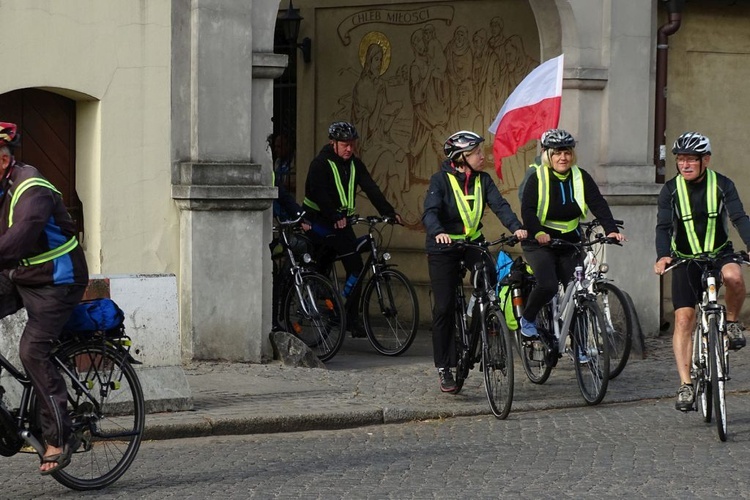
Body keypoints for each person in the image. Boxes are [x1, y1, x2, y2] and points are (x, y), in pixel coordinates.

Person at [0, 122, 89, 474]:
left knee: (32, 350)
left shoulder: (31, 189)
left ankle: (59, 437)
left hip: (58, 280)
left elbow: (17, 241)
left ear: (4, 160)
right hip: (21, 274)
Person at [422, 130, 527, 393]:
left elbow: (500, 205)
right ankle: (444, 366)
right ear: (460, 158)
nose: (483, 156)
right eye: (476, 153)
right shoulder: (440, 181)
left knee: (490, 278)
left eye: (481, 152)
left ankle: (479, 314)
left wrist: (516, 227)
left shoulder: (483, 180)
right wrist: (439, 232)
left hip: (472, 242)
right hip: (444, 247)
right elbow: (430, 212)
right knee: (444, 306)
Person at [654, 132, 750, 411]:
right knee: (684, 319)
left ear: (705, 160)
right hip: (685, 258)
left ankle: (731, 322)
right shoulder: (670, 190)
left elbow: (739, 217)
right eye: (680, 159)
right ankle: (685, 385)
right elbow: (663, 227)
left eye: (691, 160)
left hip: (719, 252)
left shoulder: (722, 184)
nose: (684, 165)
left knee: (734, 277)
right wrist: (663, 256)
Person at [518, 129, 625, 343]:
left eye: (566, 152)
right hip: (540, 241)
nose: (562, 158)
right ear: (547, 154)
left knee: (578, 291)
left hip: (570, 240)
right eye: (557, 153)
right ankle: (528, 319)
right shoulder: (538, 177)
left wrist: (611, 229)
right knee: (547, 284)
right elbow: (527, 210)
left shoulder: (580, 176)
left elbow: (598, 203)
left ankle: (580, 346)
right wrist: (538, 232)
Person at [303, 121, 401, 337]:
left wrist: (389, 212)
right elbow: (318, 192)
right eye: (344, 144)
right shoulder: (320, 164)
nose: (349, 149)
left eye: (352, 144)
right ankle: (320, 293)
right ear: (333, 143)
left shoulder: (355, 165)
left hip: (341, 222)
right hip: (318, 220)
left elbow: (371, 188)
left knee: (355, 266)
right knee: (326, 257)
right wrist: (334, 215)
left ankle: (348, 314)